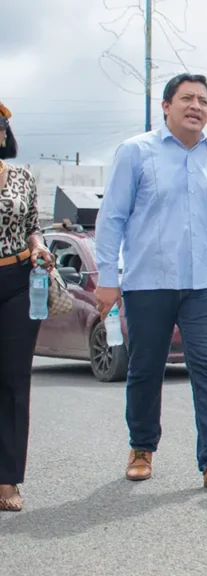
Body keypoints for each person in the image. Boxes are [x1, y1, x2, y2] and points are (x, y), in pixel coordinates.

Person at [94, 73, 207, 492]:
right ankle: (141, 447)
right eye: (186, 98)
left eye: (203, 101)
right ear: (166, 106)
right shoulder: (136, 152)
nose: (195, 106)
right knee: (145, 368)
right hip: (148, 281)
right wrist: (107, 278)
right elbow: (112, 217)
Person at [0, 103, 56, 512]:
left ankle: (7, 478)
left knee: (14, 380)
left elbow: (32, 225)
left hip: (19, 281)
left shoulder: (22, 177)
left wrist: (38, 247)